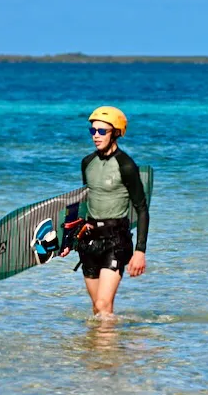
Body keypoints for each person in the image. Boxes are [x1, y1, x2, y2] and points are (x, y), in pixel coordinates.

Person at [60, 106, 149, 319]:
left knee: (103, 304)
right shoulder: (87, 163)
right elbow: (84, 203)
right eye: (93, 131)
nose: (96, 136)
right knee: (98, 310)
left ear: (116, 132)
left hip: (116, 240)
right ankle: (104, 350)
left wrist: (140, 251)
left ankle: (108, 349)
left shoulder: (126, 165)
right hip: (89, 241)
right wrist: (69, 240)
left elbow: (141, 209)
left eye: (102, 131)